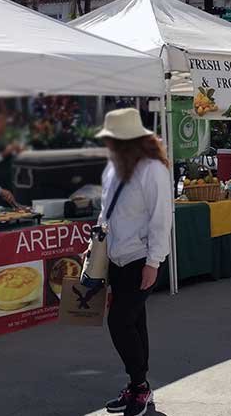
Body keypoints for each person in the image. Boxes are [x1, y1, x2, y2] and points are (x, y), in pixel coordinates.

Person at [97, 108, 173, 416]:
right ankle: (139, 387)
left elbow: (161, 218)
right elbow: (106, 211)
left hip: (140, 258)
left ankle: (140, 387)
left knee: (120, 321)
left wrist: (154, 261)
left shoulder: (152, 169)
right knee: (134, 321)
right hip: (118, 258)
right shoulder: (113, 167)